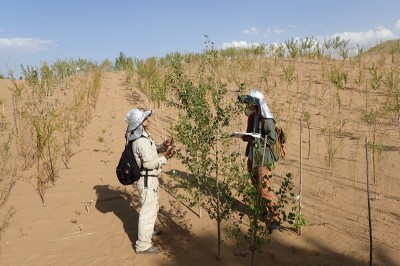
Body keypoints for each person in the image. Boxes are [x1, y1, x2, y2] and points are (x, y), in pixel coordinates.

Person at [125, 108, 174, 254]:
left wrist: (163, 146)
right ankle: (143, 245)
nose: (148, 120)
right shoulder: (140, 141)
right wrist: (165, 158)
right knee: (148, 212)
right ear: (139, 122)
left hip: (149, 179)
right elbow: (148, 163)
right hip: (147, 179)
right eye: (145, 118)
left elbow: (152, 152)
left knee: (152, 208)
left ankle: (149, 231)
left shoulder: (143, 136)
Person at [240, 90, 280, 230]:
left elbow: (272, 139)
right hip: (252, 154)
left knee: (264, 188)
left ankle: (275, 218)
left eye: (250, 103)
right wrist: (245, 136)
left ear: (257, 104)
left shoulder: (267, 119)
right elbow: (250, 132)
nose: (248, 106)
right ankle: (262, 211)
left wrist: (256, 137)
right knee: (255, 183)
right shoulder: (253, 116)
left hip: (262, 156)